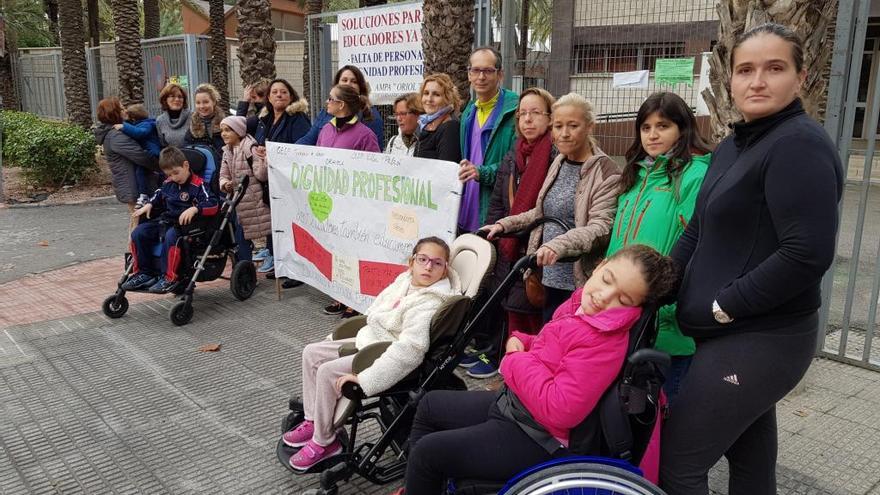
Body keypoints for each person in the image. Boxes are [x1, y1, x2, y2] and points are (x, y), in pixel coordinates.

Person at [660, 23, 843, 495]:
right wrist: (657, 284)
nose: (757, 81)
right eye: (745, 70)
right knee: (751, 466)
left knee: (677, 466)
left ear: (800, 78)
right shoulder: (736, 143)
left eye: (774, 68)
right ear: (730, 80)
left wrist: (724, 305)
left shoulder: (798, 145)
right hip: (730, 337)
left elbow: (806, 254)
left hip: (760, 338)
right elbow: (699, 229)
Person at [403, 244, 677, 494]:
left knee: (428, 454)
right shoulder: (581, 307)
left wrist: (514, 360)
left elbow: (561, 409)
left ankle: (424, 479)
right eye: (607, 280)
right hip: (518, 407)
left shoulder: (605, 342)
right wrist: (524, 340)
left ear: (636, 307)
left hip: (539, 437)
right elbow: (554, 349)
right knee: (428, 405)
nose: (605, 296)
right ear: (600, 265)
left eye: (624, 300)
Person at [281, 237, 462, 471]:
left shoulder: (430, 303)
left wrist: (366, 379)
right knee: (311, 353)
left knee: (327, 371)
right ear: (411, 262)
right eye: (423, 259)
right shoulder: (405, 281)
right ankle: (313, 420)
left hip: (385, 353)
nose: (428, 267)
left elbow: (410, 351)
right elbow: (376, 312)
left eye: (437, 263)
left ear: (445, 269)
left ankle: (325, 441)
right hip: (371, 338)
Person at [605, 92, 711, 403]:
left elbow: (696, 244)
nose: (653, 135)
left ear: (682, 128)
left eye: (662, 126)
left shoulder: (693, 175)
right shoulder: (636, 173)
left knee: (665, 403)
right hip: (627, 306)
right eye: (646, 127)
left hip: (665, 313)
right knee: (634, 398)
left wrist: (669, 300)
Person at [484, 93, 621, 322]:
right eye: (558, 126)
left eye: (573, 125)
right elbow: (541, 212)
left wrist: (558, 245)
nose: (564, 133)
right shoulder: (559, 161)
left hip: (579, 282)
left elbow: (601, 227)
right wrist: (504, 224)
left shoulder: (606, 172)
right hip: (549, 276)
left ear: (589, 126)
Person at [460, 88, 557, 380]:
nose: (528, 120)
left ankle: (521, 365)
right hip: (507, 240)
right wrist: (491, 236)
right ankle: (501, 355)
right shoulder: (514, 153)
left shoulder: (553, 154)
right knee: (504, 302)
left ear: (550, 118)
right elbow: (501, 199)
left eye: (535, 113)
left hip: (535, 244)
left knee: (525, 306)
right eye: (522, 114)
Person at [318, 84, 382, 318]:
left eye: (330, 99)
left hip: (354, 206)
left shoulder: (365, 135)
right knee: (335, 249)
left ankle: (354, 300)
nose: (327, 103)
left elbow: (375, 170)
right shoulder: (326, 130)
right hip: (330, 202)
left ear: (341, 104)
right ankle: (338, 294)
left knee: (353, 251)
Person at [121, 146, 220, 294]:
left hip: (187, 226)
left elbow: (213, 204)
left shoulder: (199, 185)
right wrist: (149, 205)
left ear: (186, 165)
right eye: (169, 174)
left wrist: (195, 209)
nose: (173, 177)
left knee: (171, 236)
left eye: (176, 173)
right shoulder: (169, 184)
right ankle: (144, 273)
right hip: (166, 220)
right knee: (139, 233)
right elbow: (159, 194)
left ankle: (169, 278)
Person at [250, 78, 311, 278]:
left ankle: (295, 271)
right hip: (271, 181)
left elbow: (300, 149)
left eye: (283, 92)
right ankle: (281, 264)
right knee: (278, 226)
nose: (279, 95)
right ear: (268, 97)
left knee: (292, 228)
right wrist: (259, 150)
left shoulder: (297, 118)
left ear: (291, 96)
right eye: (274, 92)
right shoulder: (265, 119)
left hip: (290, 182)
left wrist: (273, 154)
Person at [457, 46, 518, 233]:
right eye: (475, 70)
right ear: (469, 75)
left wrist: (482, 173)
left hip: (496, 210)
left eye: (488, 71)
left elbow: (517, 163)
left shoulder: (515, 110)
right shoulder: (469, 112)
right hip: (468, 208)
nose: (481, 77)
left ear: (500, 74)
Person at [93, 97, 160, 239]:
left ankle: (133, 257)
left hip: (129, 184)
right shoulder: (115, 136)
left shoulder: (115, 132)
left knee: (135, 222)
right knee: (137, 225)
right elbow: (140, 156)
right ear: (114, 113)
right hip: (132, 186)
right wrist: (161, 165)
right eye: (122, 108)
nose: (125, 111)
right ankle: (133, 258)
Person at [218, 116, 271, 262]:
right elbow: (223, 174)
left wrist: (263, 160)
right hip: (237, 202)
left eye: (228, 130)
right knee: (241, 235)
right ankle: (244, 268)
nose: (223, 134)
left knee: (259, 231)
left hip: (254, 201)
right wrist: (225, 183)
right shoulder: (227, 150)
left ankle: (245, 268)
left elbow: (261, 175)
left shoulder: (249, 148)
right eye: (222, 130)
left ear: (239, 131)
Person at [296, 65, 385, 148]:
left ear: (360, 87)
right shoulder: (327, 114)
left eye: (354, 81)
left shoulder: (370, 116)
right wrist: (290, 151)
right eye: (344, 80)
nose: (348, 84)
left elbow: (374, 155)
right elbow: (310, 139)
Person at [116, 103, 162, 208]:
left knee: (140, 172)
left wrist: (123, 126)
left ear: (133, 117)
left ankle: (143, 195)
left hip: (152, 152)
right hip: (149, 152)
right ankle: (145, 194)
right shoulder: (143, 123)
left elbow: (139, 133)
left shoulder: (146, 125)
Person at [414, 73, 462, 163]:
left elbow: (446, 170)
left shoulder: (450, 127)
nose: (429, 99)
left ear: (448, 99)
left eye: (436, 94)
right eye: (426, 93)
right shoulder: (424, 124)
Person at [184, 83, 225, 153]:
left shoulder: (225, 123)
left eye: (206, 102)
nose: (202, 106)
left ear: (214, 102)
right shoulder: (192, 127)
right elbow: (188, 151)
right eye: (198, 103)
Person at [155, 83, 192, 148]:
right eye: (172, 96)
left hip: (193, 156)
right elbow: (163, 145)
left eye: (180, 97)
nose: (177, 99)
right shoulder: (160, 120)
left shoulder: (193, 117)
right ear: (165, 100)